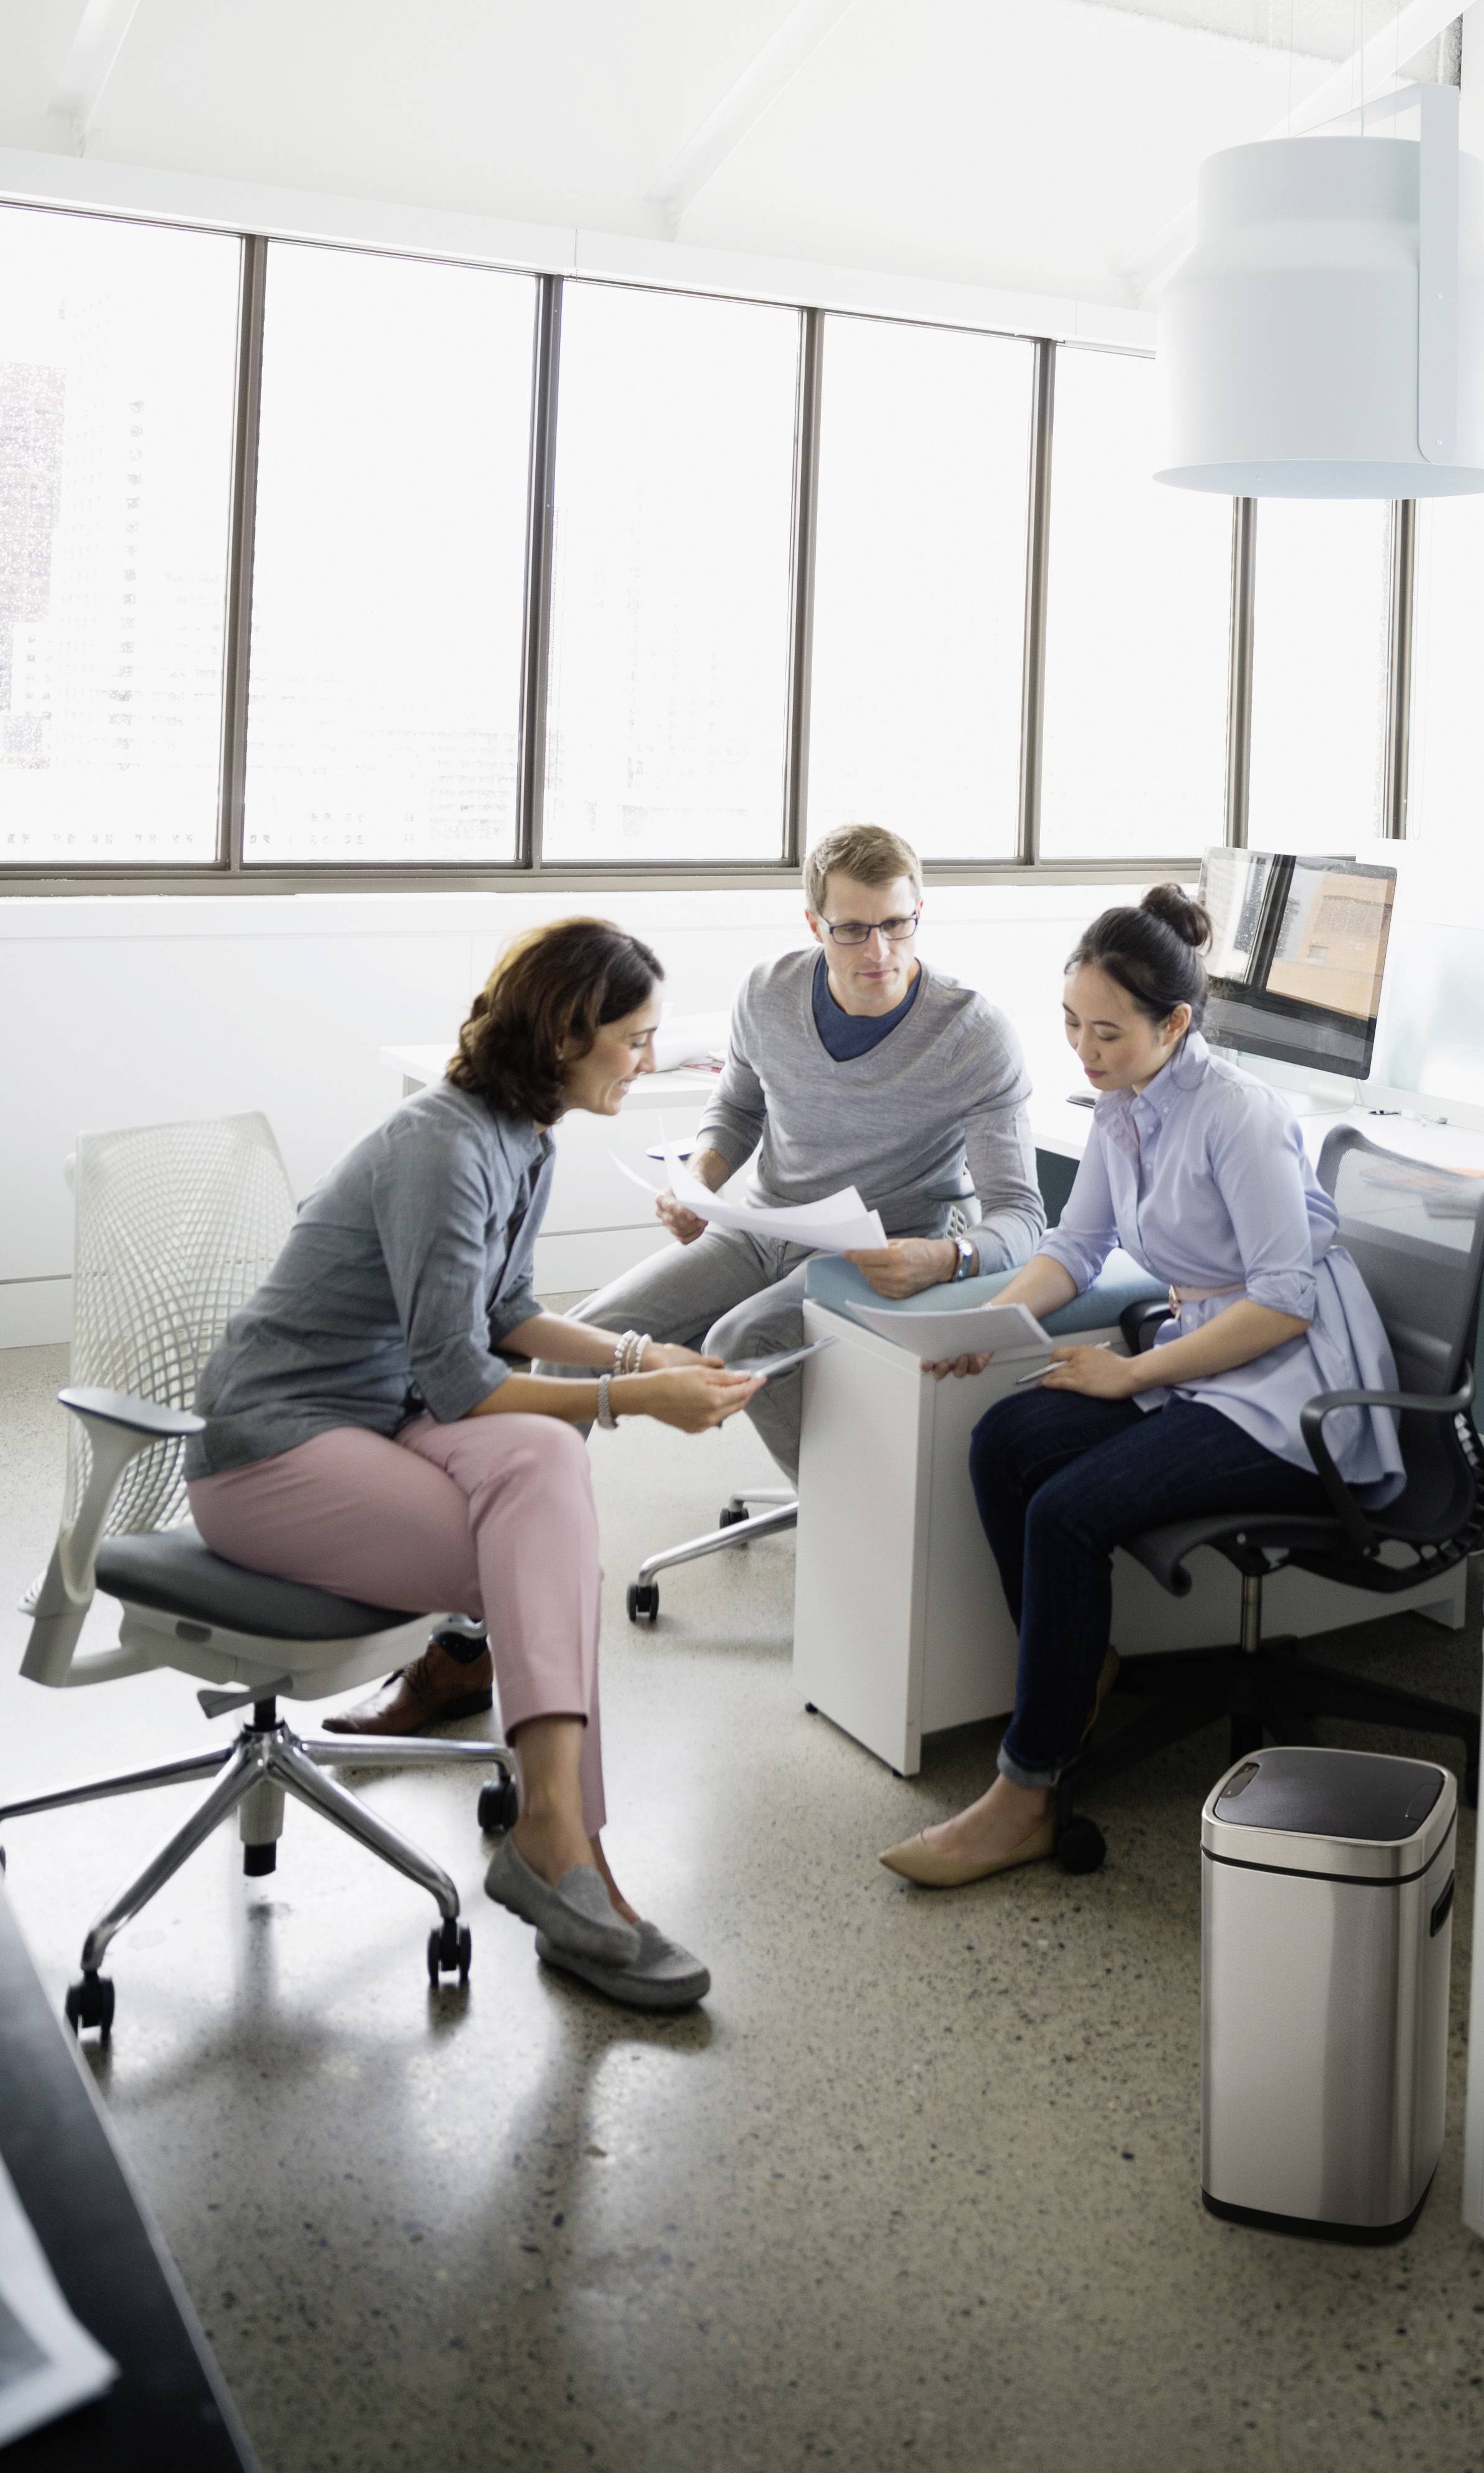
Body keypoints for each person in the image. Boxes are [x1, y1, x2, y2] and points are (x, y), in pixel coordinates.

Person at [186, 920, 759, 2012]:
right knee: (542, 1554)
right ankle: (569, 1855)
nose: (648, 1064)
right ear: (566, 1032)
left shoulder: (524, 1139)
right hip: (270, 1451)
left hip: (381, 1422)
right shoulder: (442, 1146)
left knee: (545, 1461)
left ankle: (561, 1848)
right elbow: (460, 1377)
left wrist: (646, 1354)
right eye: (634, 1042)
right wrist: (640, 1399)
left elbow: (505, 1317)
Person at [879, 884, 1404, 1890]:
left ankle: (1026, 1792)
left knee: (1072, 1511)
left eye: (1109, 1032)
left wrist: (1131, 1375)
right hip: (1209, 1357)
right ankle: (1077, 1677)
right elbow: (1076, 1249)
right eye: (1074, 1026)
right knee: (1006, 1441)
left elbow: (1285, 1304)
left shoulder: (1236, 1116)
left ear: (1176, 1024)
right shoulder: (1121, 1113)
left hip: (1291, 1390)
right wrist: (987, 1330)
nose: (1086, 1049)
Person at [569, 820, 1046, 1483]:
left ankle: (851, 1537)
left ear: (918, 913)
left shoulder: (973, 1033)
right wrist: (701, 1182)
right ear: (815, 923)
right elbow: (736, 1110)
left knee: (741, 1338)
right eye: (852, 929)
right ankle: (530, 1531)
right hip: (763, 1230)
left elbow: (1021, 1214)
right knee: (578, 1339)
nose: (879, 950)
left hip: (880, 1250)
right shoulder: (767, 992)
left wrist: (947, 1258)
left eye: (897, 924)